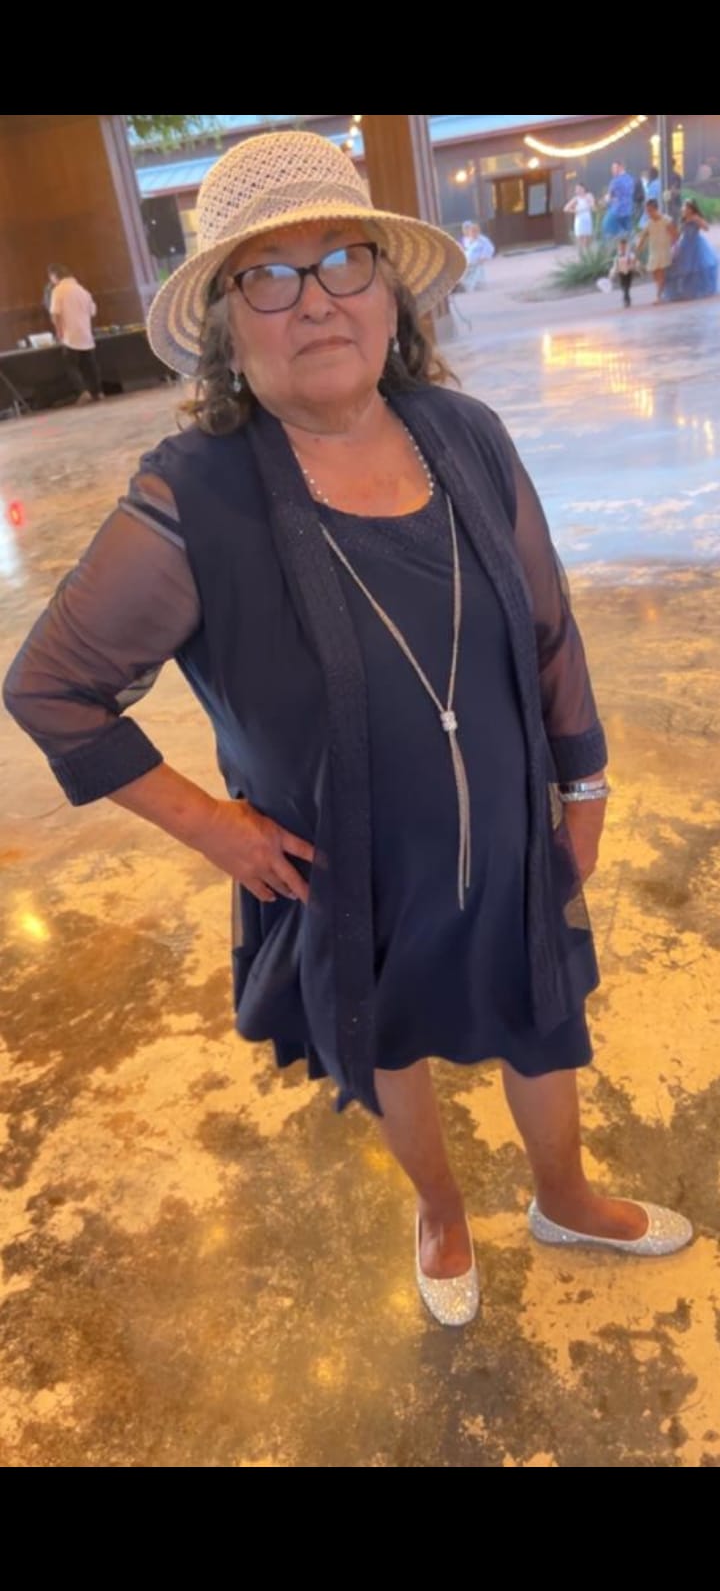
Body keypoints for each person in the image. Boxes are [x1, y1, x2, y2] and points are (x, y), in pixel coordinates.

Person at [4, 132, 692, 1332]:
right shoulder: (196, 495)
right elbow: (52, 684)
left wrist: (582, 784)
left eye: (344, 261)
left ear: (389, 293)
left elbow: (547, 623)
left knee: (543, 1019)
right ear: (227, 322)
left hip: (509, 833)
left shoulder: (465, 433)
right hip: (345, 865)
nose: (316, 299)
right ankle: (441, 1210)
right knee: (389, 1043)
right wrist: (214, 828)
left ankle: (565, 1195)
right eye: (269, 275)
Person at [48, 263, 102, 405]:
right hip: (85, 333)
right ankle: (97, 392)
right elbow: (93, 311)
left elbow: (55, 314)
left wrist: (59, 331)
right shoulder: (82, 290)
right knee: (90, 365)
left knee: (71, 365)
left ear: (54, 276)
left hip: (69, 335)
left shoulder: (58, 291)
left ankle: (83, 391)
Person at [662, 199, 719, 303]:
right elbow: (679, 234)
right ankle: (686, 291)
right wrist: (671, 233)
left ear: (692, 209)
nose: (685, 209)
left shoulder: (695, 217)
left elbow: (706, 228)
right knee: (682, 268)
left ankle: (700, 289)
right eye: (684, 207)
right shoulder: (682, 219)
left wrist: (698, 221)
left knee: (698, 267)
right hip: (684, 244)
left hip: (696, 244)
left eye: (687, 207)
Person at [636, 199, 676, 300]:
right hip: (653, 251)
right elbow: (643, 236)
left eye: (650, 210)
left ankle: (659, 295)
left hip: (664, 250)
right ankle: (661, 291)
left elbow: (674, 234)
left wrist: (674, 245)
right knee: (654, 272)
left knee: (660, 273)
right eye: (647, 211)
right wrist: (639, 247)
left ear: (656, 209)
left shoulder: (666, 220)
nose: (648, 213)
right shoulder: (649, 223)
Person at [602, 160, 635, 239]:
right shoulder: (630, 179)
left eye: (614, 168)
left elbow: (608, 197)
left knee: (606, 227)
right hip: (628, 210)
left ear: (620, 167)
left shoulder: (615, 181)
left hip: (617, 210)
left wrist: (606, 199)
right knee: (627, 234)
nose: (612, 170)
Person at [461, 220, 495, 290]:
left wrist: (483, 257)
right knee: (467, 273)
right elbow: (467, 250)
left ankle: (468, 286)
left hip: (477, 261)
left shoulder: (482, 240)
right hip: (468, 261)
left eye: (474, 231)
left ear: (478, 231)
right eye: (471, 231)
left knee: (474, 273)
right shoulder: (468, 239)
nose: (472, 233)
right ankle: (466, 284)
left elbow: (489, 248)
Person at [563, 184, 596, 253]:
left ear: (584, 188)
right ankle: (582, 255)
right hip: (579, 219)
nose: (578, 190)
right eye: (577, 189)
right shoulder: (576, 199)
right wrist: (575, 211)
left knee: (587, 238)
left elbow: (593, 206)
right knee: (580, 238)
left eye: (579, 188)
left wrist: (590, 202)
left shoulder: (589, 195)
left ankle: (588, 254)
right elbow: (566, 208)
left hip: (587, 219)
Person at [610, 239, 640, 308]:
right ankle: (626, 298)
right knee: (623, 285)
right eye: (620, 246)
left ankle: (626, 298)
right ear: (618, 247)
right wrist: (613, 273)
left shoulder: (630, 254)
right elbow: (615, 265)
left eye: (624, 246)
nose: (622, 247)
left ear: (626, 246)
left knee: (627, 285)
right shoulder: (617, 256)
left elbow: (635, 262)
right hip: (621, 272)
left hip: (629, 271)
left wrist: (635, 267)